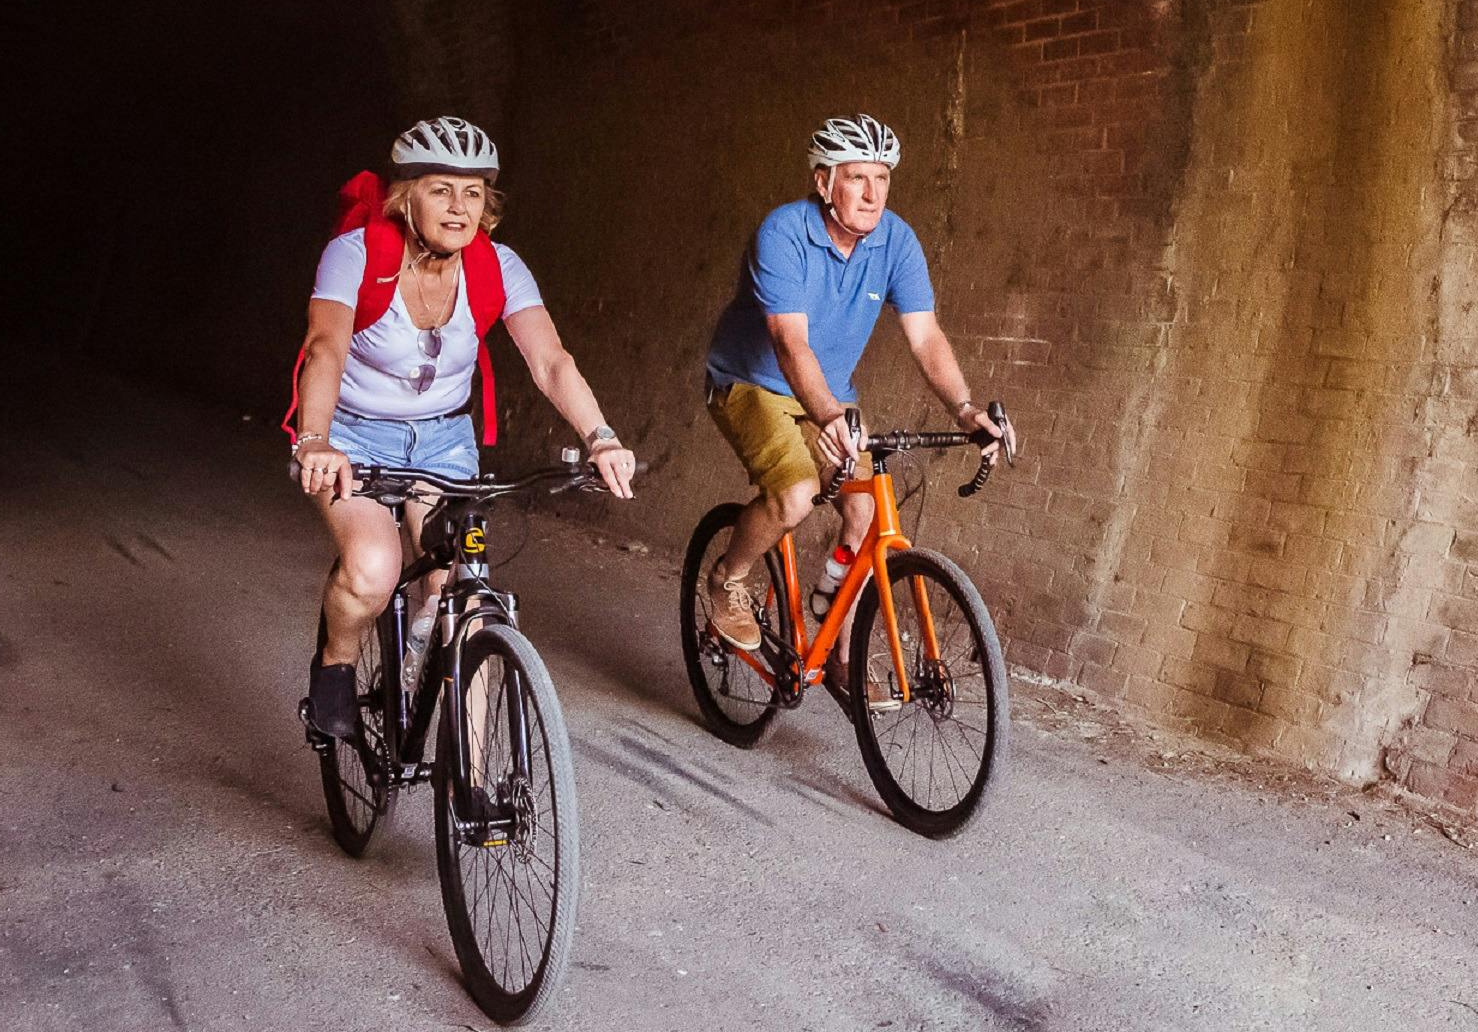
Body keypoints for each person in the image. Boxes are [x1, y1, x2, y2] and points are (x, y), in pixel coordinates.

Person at [292, 117, 635, 738]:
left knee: (467, 603)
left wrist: (600, 437)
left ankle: (473, 790)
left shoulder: (497, 267)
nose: (459, 206)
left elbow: (550, 363)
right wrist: (315, 438)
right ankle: (336, 668)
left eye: (473, 192)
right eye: (441, 189)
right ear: (407, 196)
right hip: (353, 436)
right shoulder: (356, 255)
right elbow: (325, 350)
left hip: (445, 441)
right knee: (372, 568)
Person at [700, 114, 1000, 661]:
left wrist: (964, 409)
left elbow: (925, 336)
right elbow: (789, 344)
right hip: (751, 383)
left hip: (828, 391)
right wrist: (830, 417)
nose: (872, 193)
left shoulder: (897, 241)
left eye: (882, 178)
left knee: (866, 514)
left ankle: (837, 652)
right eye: (857, 177)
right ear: (823, 182)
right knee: (794, 495)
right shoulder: (783, 232)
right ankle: (727, 578)